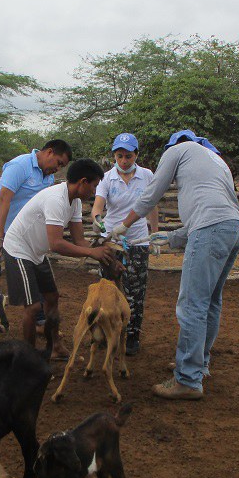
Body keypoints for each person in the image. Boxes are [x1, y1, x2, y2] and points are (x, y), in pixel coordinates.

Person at [111, 129, 239, 400]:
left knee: (191, 304)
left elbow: (151, 195)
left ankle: (187, 379)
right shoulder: (217, 160)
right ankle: (198, 364)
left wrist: (123, 226)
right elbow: (216, 211)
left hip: (211, 229)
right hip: (234, 228)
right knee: (211, 301)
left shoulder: (177, 150)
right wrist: (171, 237)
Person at [3, 158, 115, 359]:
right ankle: (28, 358)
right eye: (94, 185)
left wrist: (105, 257)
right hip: (18, 249)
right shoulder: (56, 199)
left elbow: (80, 240)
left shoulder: (75, 202)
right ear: (82, 182)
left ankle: (54, 346)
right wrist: (92, 253)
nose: (95, 191)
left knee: (52, 298)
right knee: (33, 307)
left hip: (36, 252)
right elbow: (56, 244)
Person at [90, 132, 158, 356]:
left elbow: (152, 205)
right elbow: (98, 207)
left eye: (128, 156)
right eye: (120, 156)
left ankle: (132, 336)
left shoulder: (147, 176)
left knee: (135, 290)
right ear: (114, 157)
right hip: (112, 241)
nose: (124, 161)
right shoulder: (107, 178)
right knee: (107, 288)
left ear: (136, 155)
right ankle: (104, 332)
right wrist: (97, 221)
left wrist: (154, 234)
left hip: (137, 240)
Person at [0, 139, 73, 255]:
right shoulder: (20, 165)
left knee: (13, 267)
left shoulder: (49, 177)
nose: (58, 169)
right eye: (59, 163)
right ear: (49, 152)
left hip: (18, 230)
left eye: (62, 166)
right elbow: (3, 200)